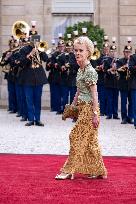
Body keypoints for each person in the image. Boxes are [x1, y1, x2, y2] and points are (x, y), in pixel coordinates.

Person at [55, 36, 107, 180]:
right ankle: (98, 170)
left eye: (81, 51)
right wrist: (73, 106)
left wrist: (95, 114)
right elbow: (78, 90)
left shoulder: (90, 71)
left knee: (75, 136)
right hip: (82, 108)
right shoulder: (80, 69)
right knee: (91, 141)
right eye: (76, 50)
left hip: (90, 110)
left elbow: (95, 94)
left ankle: (68, 170)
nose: (77, 53)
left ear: (88, 52)